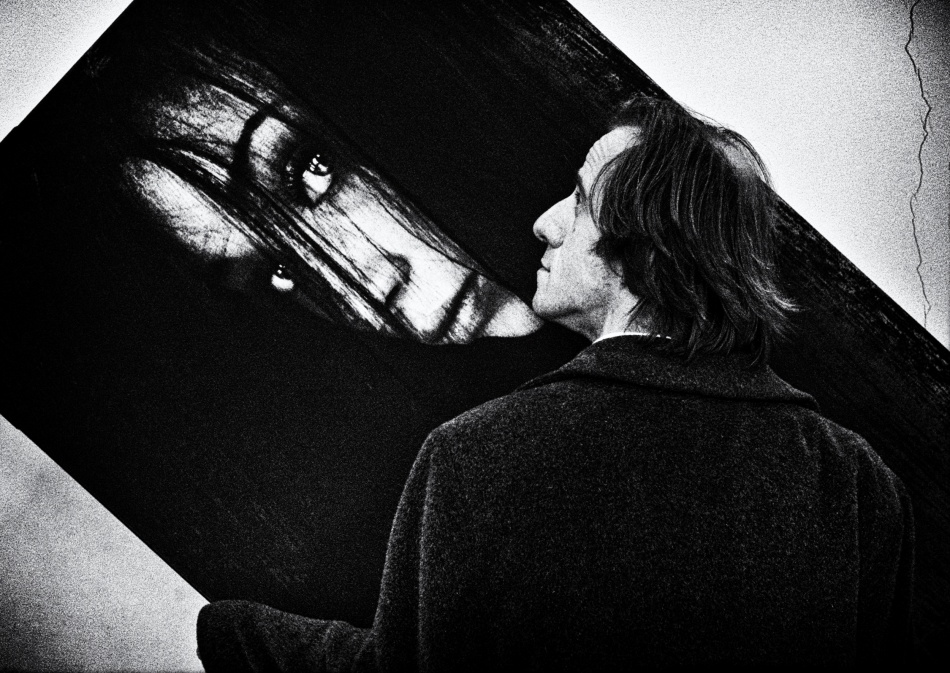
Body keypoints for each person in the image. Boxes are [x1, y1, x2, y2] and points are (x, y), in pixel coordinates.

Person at [195, 97, 914, 670]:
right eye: (276, 273)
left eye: (578, 197)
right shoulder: (856, 487)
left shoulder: (477, 457)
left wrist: (231, 631)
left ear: (650, 237)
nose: (544, 224)